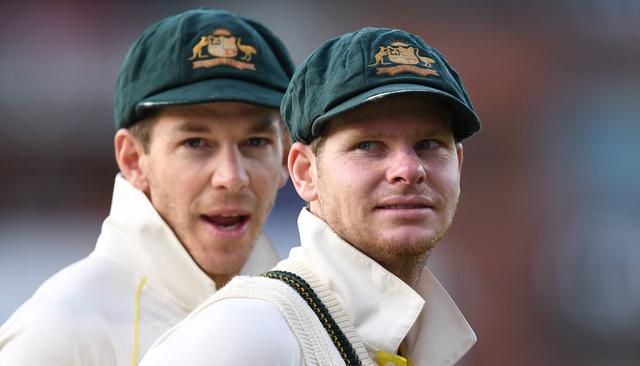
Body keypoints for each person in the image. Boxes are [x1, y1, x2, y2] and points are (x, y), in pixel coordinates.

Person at [140, 27, 481, 366]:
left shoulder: (419, 341)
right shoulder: (244, 335)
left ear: (459, 164)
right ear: (305, 172)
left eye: (430, 145)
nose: (409, 169)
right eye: (368, 145)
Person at [0, 8, 294, 366]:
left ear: (285, 159)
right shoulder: (60, 335)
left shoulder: (307, 318)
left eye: (256, 141)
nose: (232, 177)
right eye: (196, 143)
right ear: (134, 160)